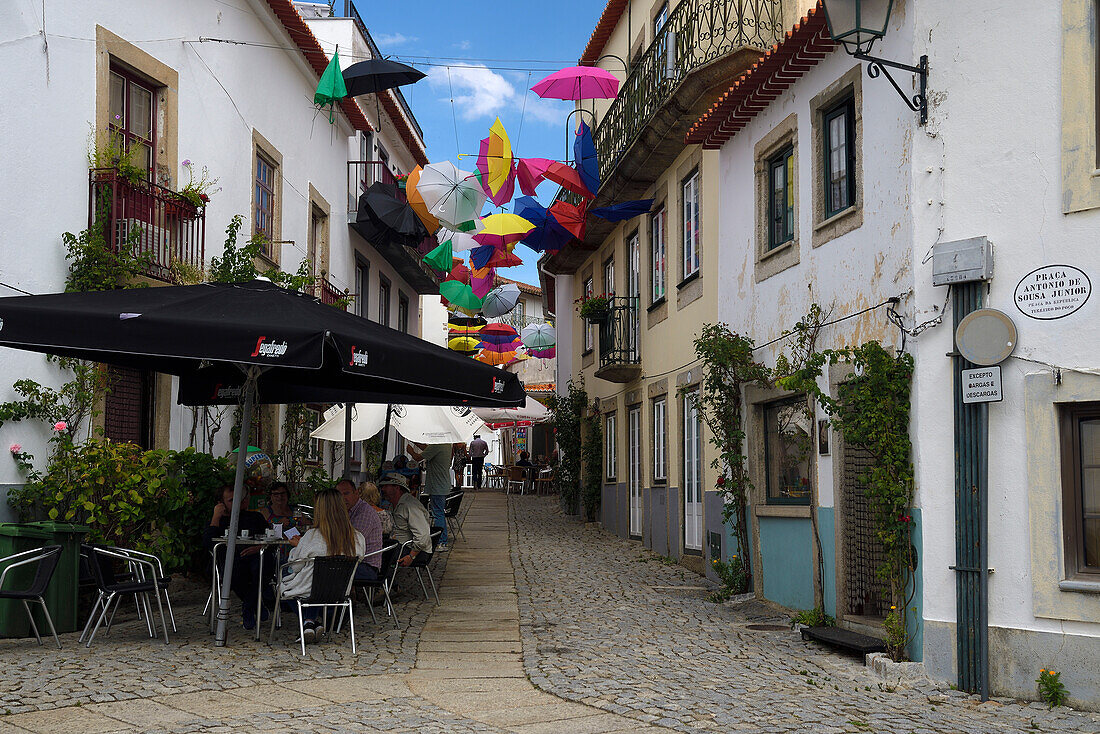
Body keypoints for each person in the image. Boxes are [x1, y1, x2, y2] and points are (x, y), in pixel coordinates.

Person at [279, 487, 366, 644]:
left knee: (282, 580)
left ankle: (308, 622)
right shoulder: (357, 538)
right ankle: (310, 622)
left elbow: (296, 566)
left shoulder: (311, 537)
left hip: (309, 589)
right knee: (314, 584)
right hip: (340, 590)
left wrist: (297, 547)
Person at [202, 485, 274, 630]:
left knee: (264, 563)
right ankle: (254, 604)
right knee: (233, 569)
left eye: (241, 499)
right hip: (229, 562)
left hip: (256, 557)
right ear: (221, 503)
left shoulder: (255, 517)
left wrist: (259, 547)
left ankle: (249, 606)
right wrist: (216, 516)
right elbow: (208, 543)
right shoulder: (217, 521)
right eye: (231, 500)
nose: (237, 503)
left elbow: (272, 540)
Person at [378, 474, 432, 568]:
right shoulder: (393, 504)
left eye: (386, 486)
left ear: (397, 488)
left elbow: (423, 535)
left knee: (377, 554)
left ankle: (384, 581)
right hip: (399, 546)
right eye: (382, 486)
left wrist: (411, 556)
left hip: (412, 551)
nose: (383, 489)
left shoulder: (410, 505)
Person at [336, 478, 382, 581]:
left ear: (356, 493)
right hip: (353, 562)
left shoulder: (364, 512)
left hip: (366, 566)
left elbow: (350, 543)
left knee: (327, 570)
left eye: (346, 493)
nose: (343, 498)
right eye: (339, 495)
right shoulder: (346, 511)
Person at [409, 442, 453, 551]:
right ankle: (442, 540)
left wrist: (410, 451)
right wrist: (416, 442)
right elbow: (427, 449)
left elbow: (418, 457)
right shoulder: (446, 445)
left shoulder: (437, 446)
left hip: (437, 486)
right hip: (442, 484)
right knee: (439, 512)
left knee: (438, 514)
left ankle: (441, 542)